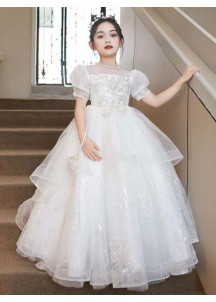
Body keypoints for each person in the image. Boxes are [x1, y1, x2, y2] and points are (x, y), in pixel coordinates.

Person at [15, 16, 200, 292]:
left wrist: (183, 79)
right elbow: (79, 108)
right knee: (87, 188)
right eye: (100, 36)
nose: (107, 40)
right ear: (92, 44)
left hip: (126, 137)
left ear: (121, 41)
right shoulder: (86, 73)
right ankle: (78, 261)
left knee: (125, 189)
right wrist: (84, 139)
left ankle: (130, 260)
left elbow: (157, 100)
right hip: (95, 135)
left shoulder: (131, 77)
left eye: (112, 35)